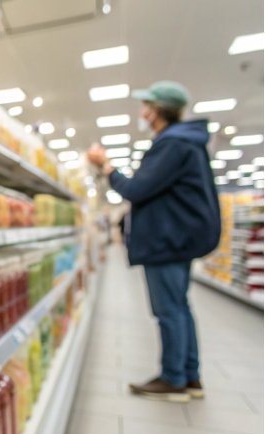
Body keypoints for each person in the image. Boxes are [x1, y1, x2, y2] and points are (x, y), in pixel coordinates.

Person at [86, 80, 221, 402]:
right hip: (179, 238)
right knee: (179, 307)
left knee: (168, 310)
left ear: (157, 110)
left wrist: (106, 166)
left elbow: (136, 189)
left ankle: (174, 379)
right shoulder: (185, 142)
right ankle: (190, 376)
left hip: (168, 239)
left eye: (145, 105)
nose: (142, 111)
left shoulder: (173, 144)